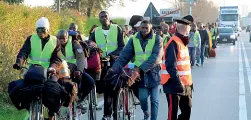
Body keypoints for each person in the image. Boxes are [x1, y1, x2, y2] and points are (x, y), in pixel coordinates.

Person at [111, 20, 163, 120]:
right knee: (143, 98)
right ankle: (146, 113)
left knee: (154, 100)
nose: (144, 30)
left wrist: (140, 68)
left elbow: (156, 57)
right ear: (139, 28)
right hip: (140, 76)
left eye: (146, 28)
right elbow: (124, 56)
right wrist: (114, 69)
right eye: (142, 28)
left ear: (150, 28)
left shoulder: (157, 39)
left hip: (153, 73)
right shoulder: (133, 39)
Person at [13, 17, 62, 120]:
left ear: (48, 29)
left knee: (53, 91)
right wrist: (19, 62)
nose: (41, 32)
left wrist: (53, 67)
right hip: (32, 70)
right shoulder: (31, 38)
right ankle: (29, 110)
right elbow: (24, 52)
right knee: (22, 89)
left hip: (48, 71)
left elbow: (57, 59)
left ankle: (51, 114)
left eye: (43, 30)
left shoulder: (55, 41)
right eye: (38, 30)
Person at [88, 11, 124, 120]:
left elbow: (122, 46)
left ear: (109, 18)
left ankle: (112, 112)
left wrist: (112, 55)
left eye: (105, 16)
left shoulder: (117, 29)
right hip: (101, 63)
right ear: (99, 19)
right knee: (105, 88)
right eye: (101, 17)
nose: (104, 18)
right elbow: (90, 43)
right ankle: (108, 114)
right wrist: (92, 45)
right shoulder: (96, 31)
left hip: (114, 61)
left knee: (114, 88)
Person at [162, 15, 194, 120]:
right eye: (189, 26)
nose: (190, 28)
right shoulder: (174, 42)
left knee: (187, 111)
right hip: (173, 84)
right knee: (173, 114)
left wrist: (189, 84)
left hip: (185, 85)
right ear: (185, 28)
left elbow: (184, 66)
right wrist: (178, 82)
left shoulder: (182, 42)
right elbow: (171, 65)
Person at [57, 30, 95, 112]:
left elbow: (80, 58)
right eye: (59, 38)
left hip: (75, 69)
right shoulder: (55, 45)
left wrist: (79, 70)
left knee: (90, 82)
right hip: (61, 71)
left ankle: (80, 99)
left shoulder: (74, 44)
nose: (61, 40)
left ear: (67, 38)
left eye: (64, 38)